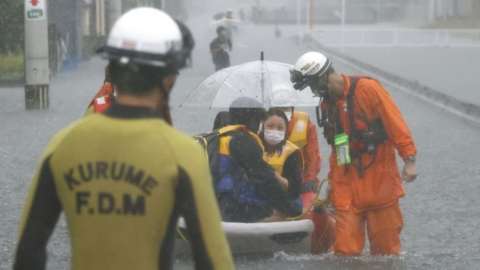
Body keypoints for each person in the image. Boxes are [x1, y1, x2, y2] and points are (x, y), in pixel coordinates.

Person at [14, 7, 234, 270]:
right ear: (170, 76)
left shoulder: (62, 146)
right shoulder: (183, 155)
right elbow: (213, 260)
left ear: (111, 67)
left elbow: (28, 252)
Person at [290, 51, 417, 256]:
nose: (314, 91)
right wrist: (333, 183)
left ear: (324, 76)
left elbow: (395, 124)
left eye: (313, 85)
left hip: (380, 182)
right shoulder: (327, 105)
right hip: (347, 185)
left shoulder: (368, 89)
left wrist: (409, 159)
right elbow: (338, 146)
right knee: (345, 253)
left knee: (386, 252)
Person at [213, 97, 302, 222]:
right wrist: (289, 209)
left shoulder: (218, 136)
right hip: (232, 208)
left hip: (214, 201)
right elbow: (265, 180)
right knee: (296, 206)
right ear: (254, 121)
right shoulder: (244, 142)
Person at [270, 88, 322, 216]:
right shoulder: (266, 125)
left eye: (286, 107)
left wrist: (309, 181)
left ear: (292, 107)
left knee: (308, 211)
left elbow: (313, 157)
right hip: (273, 183)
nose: (283, 110)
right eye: (279, 107)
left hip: (302, 183)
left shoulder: (305, 125)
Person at [260, 108, 303, 216]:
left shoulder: (292, 152)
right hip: (257, 195)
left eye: (280, 128)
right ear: (262, 126)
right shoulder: (253, 146)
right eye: (270, 126)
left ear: (285, 131)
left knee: (295, 206)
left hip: (284, 197)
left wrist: (274, 176)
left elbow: (295, 189)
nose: (274, 131)